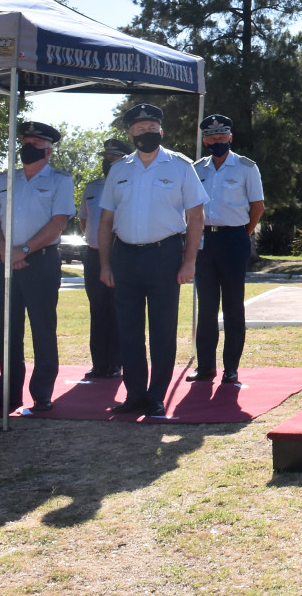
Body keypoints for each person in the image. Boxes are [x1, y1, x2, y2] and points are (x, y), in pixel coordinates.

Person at [97, 104, 207, 418]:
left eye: (151, 127)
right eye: (139, 128)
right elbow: (105, 221)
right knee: (129, 330)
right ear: (130, 132)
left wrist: (189, 262)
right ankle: (134, 395)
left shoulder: (180, 166)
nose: (145, 132)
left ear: (161, 130)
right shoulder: (120, 169)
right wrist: (105, 264)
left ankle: (157, 395)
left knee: (162, 330)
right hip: (126, 256)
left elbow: (196, 216)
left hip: (165, 255)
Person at [0, 122, 75, 414]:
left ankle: (42, 393)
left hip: (42, 261)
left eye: (34, 144)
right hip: (7, 261)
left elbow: (58, 222)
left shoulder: (61, 180)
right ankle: (8, 393)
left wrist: (22, 250)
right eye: (24, 142)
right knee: (9, 330)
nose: (27, 148)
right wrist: (5, 252)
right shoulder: (5, 179)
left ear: (47, 151)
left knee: (42, 328)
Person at [189, 114, 264, 386]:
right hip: (204, 242)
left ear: (230, 137)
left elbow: (258, 207)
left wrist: (241, 234)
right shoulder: (197, 169)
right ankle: (206, 366)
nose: (217, 140)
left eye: (222, 136)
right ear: (205, 140)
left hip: (234, 239)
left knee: (233, 306)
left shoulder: (246, 167)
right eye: (211, 136)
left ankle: (231, 368)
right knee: (206, 307)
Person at [78, 139, 130, 379]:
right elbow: (84, 221)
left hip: (121, 253)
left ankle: (118, 361)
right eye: (106, 157)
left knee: (119, 308)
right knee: (98, 309)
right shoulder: (92, 187)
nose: (107, 161)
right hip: (94, 254)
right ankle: (99, 362)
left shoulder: (130, 185)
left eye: (114, 157)